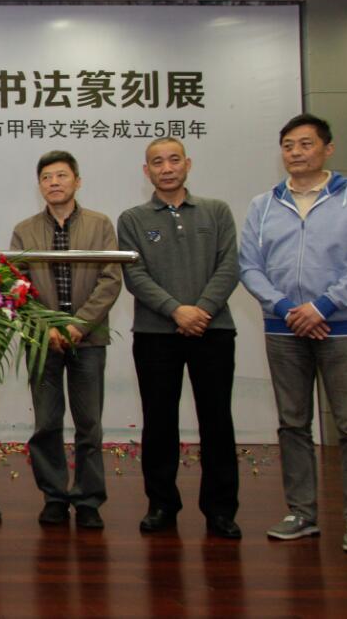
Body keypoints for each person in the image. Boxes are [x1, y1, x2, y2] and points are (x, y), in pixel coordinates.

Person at [239, 114, 347, 554]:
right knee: (293, 424)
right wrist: (287, 309)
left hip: (342, 329)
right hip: (283, 328)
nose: (296, 152)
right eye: (288, 145)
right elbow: (250, 267)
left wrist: (322, 307)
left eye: (305, 144)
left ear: (327, 148)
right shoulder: (264, 204)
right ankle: (301, 513)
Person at [117, 137, 242, 539]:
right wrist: (176, 310)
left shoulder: (216, 211)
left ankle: (220, 511)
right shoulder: (132, 219)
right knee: (159, 422)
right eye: (157, 162)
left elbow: (229, 265)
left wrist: (200, 310)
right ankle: (161, 504)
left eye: (174, 160)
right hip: (155, 334)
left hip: (212, 329)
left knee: (217, 421)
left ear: (188, 164)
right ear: (146, 171)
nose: (166, 168)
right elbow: (134, 275)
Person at [9, 151, 122, 530]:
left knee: (89, 425)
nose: (54, 183)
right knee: (46, 422)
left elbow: (111, 279)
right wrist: (48, 328)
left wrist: (80, 325)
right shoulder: (24, 230)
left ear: (77, 180)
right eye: (46, 177)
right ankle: (55, 497)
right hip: (43, 341)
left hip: (88, 340)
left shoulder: (100, 224)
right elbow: (17, 285)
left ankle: (88, 500)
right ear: (39, 185)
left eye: (61, 175)